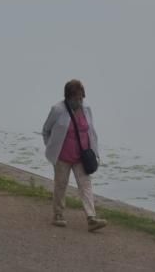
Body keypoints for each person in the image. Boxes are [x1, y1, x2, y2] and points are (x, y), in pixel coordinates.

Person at [42, 79, 107, 232]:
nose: (80, 101)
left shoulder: (87, 109)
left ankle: (91, 218)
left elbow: (91, 132)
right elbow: (46, 130)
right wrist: (51, 148)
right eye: (77, 98)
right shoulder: (57, 110)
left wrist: (94, 152)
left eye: (81, 98)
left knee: (86, 186)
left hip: (81, 157)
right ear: (68, 97)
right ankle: (58, 215)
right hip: (62, 157)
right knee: (61, 186)